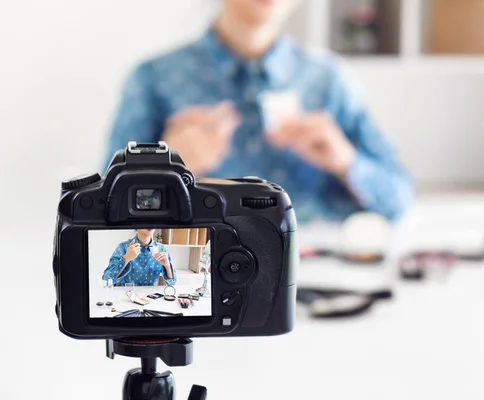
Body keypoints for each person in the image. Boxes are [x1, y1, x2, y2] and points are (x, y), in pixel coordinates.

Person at [104, 0, 413, 222]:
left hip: (320, 279)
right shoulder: (153, 80)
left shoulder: (328, 81)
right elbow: (106, 211)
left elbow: (399, 200)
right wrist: (165, 172)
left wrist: (345, 161)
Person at [102, 229, 177, 286]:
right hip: (128, 298)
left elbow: (172, 282)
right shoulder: (123, 247)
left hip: (151, 299)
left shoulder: (161, 248)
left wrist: (167, 266)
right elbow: (106, 279)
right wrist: (126, 258)